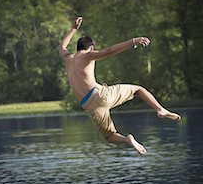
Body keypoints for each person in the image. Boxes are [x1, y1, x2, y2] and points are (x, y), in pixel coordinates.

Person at [59, 17, 181, 154]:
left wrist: (73, 29)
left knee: (110, 136)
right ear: (91, 47)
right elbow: (108, 51)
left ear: (78, 47)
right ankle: (160, 110)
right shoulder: (87, 55)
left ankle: (128, 140)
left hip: (89, 106)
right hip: (100, 95)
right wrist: (132, 41)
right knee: (138, 90)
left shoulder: (67, 59)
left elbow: (62, 47)